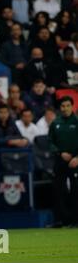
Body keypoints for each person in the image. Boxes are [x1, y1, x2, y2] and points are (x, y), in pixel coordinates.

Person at [48, 96, 78, 227]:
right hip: (60, 161)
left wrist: (77, 157)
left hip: (75, 162)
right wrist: (60, 153)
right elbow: (50, 141)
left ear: (72, 106)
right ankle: (60, 220)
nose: (65, 108)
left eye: (67, 105)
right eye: (62, 106)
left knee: (76, 191)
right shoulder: (55, 123)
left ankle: (75, 220)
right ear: (60, 108)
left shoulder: (77, 122)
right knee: (59, 190)